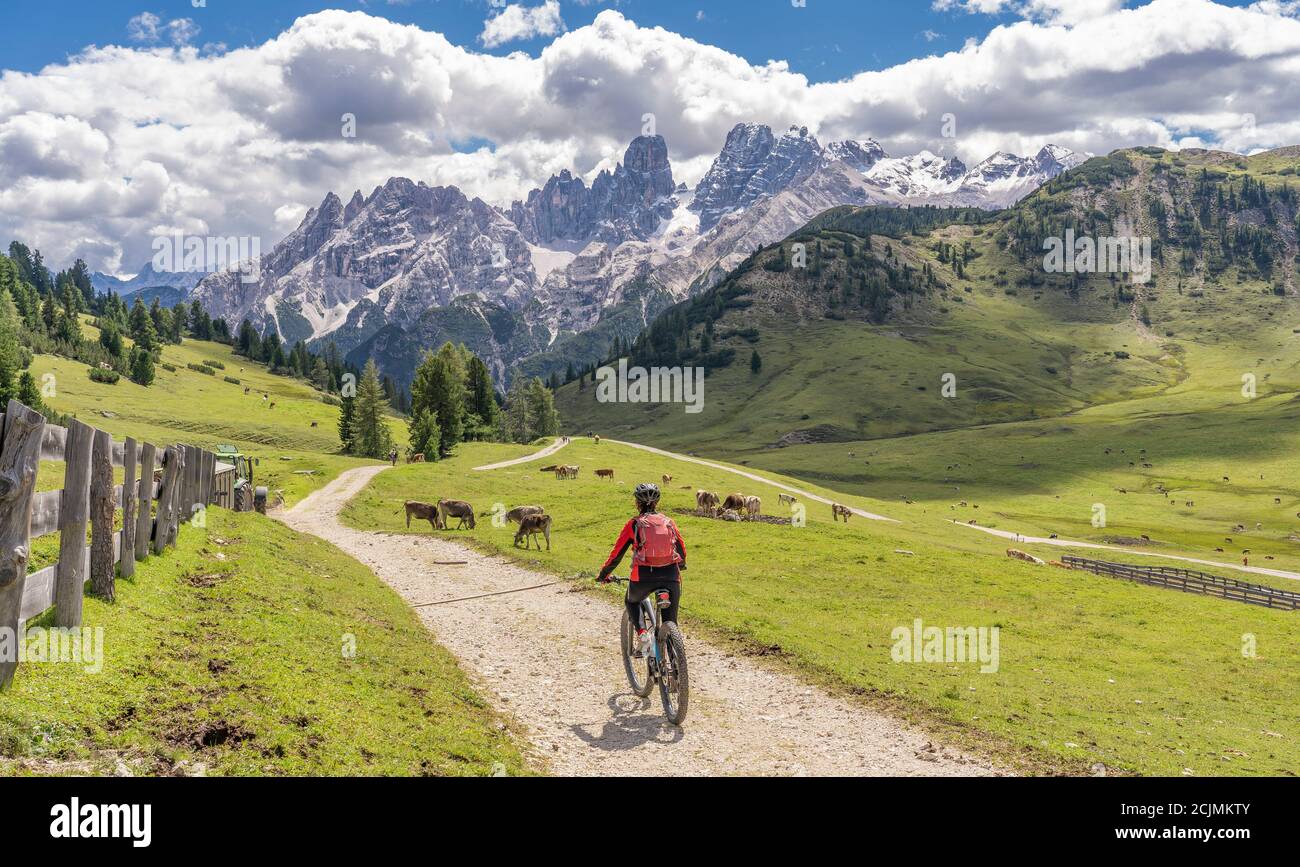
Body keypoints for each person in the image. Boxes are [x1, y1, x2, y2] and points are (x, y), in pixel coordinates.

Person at [597, 483, 686, 655]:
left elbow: (616, 554)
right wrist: (680, 566)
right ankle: (675, 669)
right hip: (671, 576)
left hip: (643, 577)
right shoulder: (669, 522)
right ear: (657, 503)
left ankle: (643, 634)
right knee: (671, 622)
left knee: (631, 601)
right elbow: (681, 549)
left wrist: (603, 574)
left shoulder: (634, 524)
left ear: (637, 503)